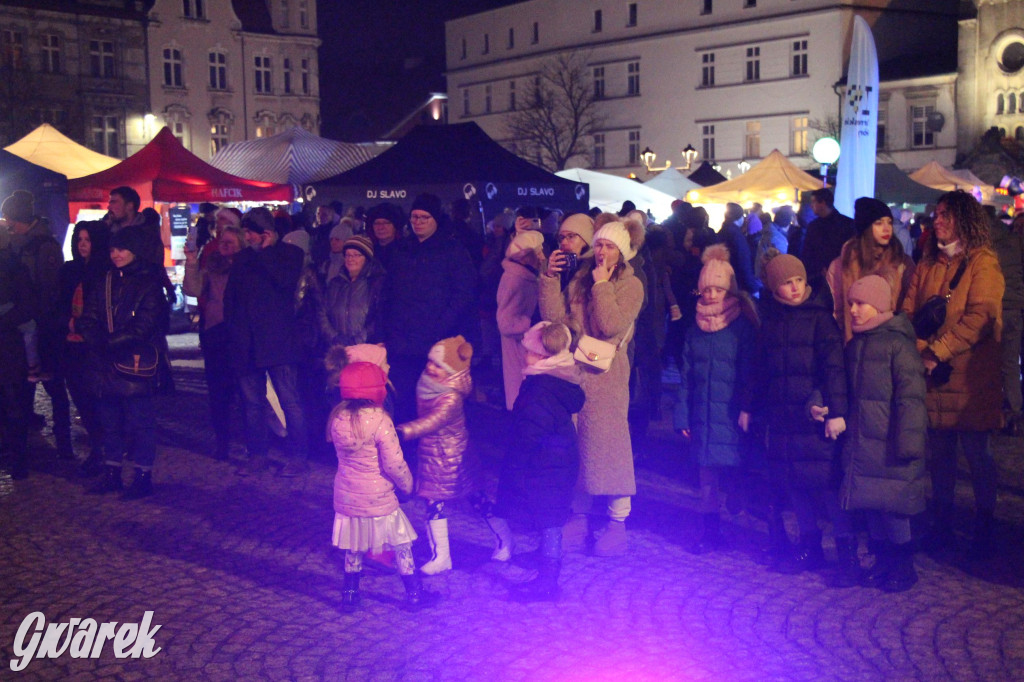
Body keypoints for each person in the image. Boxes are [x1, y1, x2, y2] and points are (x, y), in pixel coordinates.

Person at [901, 190, 1005, 558]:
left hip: (970, 378)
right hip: (934, 378)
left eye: (946, 214)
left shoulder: (983, 263)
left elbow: (981, 317)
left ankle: (984, 527)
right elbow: (908, 312)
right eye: (937, 214)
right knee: (940, 456)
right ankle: (942, 524)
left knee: (978, 455)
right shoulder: (928, 264)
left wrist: (938, 351)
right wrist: (920, 351)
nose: (938, 220)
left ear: (965, 219)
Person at [539, 218, 644, 557]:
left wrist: (602, 286)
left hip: (609, 379)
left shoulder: (632, 285)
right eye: (598, 244)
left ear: (622, 252)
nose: (601, 251)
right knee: (579, 450)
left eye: (609, 246)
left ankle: (617, 524)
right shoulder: (582, 280)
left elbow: (611, 324)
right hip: (578, 376)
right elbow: (556, 319)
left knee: (611, 452)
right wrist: (549, 278)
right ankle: (579, 517)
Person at [755, 252, 849, 573]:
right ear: (773, 288)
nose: (794, 288)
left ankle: (845, 548)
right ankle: (809, 545)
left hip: (814, 417)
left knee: (825, 485)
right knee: (794, 484)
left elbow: (834, 368)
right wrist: (752, 408)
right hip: (783, 419)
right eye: (786, 283)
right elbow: (762, 371)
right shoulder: (771, 322)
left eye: (798, 280)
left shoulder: (821, 320)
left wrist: (835, 410)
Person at [839, 275, 927, 592]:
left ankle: (903, 565)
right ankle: (883, 560)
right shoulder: (856, 345)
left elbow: (911, 399)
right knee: (872, 505)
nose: (853, 310)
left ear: (877, 306)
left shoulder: (898, 346)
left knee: (893, 510)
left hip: (890, 444)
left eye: (860, 304)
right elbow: (841, 386)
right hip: (864, 443)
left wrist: (909, 444)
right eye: (850, 304)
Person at [330, 362, 439, 612]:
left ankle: (349, 595)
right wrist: (408, 485)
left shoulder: (337, 418)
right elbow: (393, 464)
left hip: (348, 495)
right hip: (379, 496)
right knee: (401, 543)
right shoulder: (380, 420)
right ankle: (414, 594)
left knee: (353, 545)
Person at [395, 336, 508, 573]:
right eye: (430, 362)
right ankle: (442, 556)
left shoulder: (451, 397)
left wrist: (406, 430)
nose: (430, 368)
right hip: (434, 454)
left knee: (477, 500)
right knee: (433, 503)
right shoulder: (429, 385)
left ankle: (505, 540)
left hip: (453, 458)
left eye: (438, 365)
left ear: (451, 371)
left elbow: (433, 421)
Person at [674, 245, 759, 554]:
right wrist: (682, 416)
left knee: (734, 471)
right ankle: (710, 530)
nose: (711, 295)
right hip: (702, 415)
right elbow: (686, 376)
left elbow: (750, 371)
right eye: (706, 289)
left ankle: (744, 525)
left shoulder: (742, 328)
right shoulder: (694, 330)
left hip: (731, 413)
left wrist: (747, 408)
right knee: (706, 477)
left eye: (718, 289)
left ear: (729, 290)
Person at [492, 321, 584, 602]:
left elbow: (529, 433)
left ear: (544, 357)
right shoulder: (558, 383)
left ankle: (547, 581)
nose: (524, 355)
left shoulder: (538, 391)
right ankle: (547, 566)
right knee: (550, 517)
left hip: (546, 466)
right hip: (557, 463)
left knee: (550, 519)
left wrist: (516, 469)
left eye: (530, 352)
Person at [78, 227, 171, 499]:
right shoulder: (105, 281)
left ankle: (143, 476)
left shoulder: (150, 284)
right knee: (110, 422)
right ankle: (112, 472)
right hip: (106, 363)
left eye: (121, 249)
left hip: (134, 363)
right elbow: (89, 317)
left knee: (140, 423)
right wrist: (97, 340)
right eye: (112, 249)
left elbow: (144, 325)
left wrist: (107, 343)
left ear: (135, 250)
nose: (116, 254)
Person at [223, 207, 309, 477]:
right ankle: (257, 454)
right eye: (245, 232)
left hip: (279, 343)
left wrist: (267, 251)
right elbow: (232, 300)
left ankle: (298, 457)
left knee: (290, 401)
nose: (247, 237)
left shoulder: (289, 254)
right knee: (253, 404)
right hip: (247, 344)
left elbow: (284, 281)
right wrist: (235, 335)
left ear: (267, 233)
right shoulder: (242, 259)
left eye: (251, 232)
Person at [383, 194, 476, 423]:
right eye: (414, 217)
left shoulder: (452, 251)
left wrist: (441, 325)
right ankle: (404, 449)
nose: (418, 222)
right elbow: (388, 292)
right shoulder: (401, 250)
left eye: (425, 217)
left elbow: (463, 292)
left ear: (436, 219)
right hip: (402, 339)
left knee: (434, 402)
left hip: (435, 340)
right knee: (403, 398)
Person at [2, 189, 73, 457]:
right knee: (25, 391)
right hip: (28, 326)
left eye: (10, 220)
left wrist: (33, 318)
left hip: (44, 330)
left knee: (55, 389)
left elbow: (49, 290)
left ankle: (64, 445)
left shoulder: (44, 246)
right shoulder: (21, 244)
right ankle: (25, 449)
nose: (9, 226)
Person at [183, 224, 246, 460]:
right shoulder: (212, 265)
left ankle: (251, 443)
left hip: (239, 335)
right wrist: (191, 263)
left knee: (244, 392)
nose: (225, 245)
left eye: (230, 241)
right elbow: (193, 288)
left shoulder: (246, 266)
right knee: (218, 394)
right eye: (223, 241)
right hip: (215, 333)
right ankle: (223, 442)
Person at [58, 220, 110, 474]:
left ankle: (104, 450)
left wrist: (82, 324)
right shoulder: (70, 270)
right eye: (79, 239)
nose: (82, 245)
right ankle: (98, 447)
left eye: (88, 240)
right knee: (80, 395)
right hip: (72, 345)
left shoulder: (105, 271)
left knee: (97, 399)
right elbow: (58, 302)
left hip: (94, 345)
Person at [826, 197, 915, 344]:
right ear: (865, 227)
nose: (886, 228)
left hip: (889, 344)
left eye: (889, 222)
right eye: (879, 223)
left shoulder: (901, 262)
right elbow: (836, 308)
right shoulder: (842, 264)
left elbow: (909, 306)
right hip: (853, 343)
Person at [496, 230, 544, 410]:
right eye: (539, 252)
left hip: (525, 348)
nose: (543, 256)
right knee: (520, 397)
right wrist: (531, 323)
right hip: (518, 349)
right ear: (526, 257)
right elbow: (506, 323)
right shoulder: (515, 279)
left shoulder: (526, 276)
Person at [0, 239, 32, 479]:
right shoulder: (15, 266)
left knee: (13, 405)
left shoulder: (14, 267)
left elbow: (24, 308)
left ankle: (18, 458)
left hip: (9, 347)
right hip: (9, 345)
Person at [320, 235, 385, 346]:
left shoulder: (376, 283)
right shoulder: (335, 283)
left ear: (367, 258)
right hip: (338, 349)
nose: (350, 259)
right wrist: (335, 338)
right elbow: (323, 312)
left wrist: (357, 340)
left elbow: (379, 317)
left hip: (366, 348)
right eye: (348, 255)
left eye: (356, 255)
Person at [800, 188, 855, 287]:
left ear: (823, 203)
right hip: (819, 278)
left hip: (844, 278)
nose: (811, 206)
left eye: (813, 202)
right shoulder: (813, 226)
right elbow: (808, 254)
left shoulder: (848, 225)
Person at [718, 203, 759, 295]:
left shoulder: (722, 231)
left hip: (726, 280)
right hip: (739, 283)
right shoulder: (736, 234)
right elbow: (743, 261)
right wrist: (753, 287)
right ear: (739, 217)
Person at [365, 202, 405, 272]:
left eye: (386, 223)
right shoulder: (367, 251)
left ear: (395, 227)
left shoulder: (406, 251)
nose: (380, 227)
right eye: (376, 223)